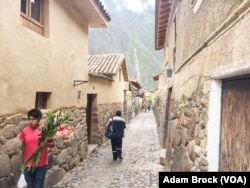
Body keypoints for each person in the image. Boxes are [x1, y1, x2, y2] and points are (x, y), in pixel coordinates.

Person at [19, 109, 55, 188]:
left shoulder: (45, 130)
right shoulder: (25, 131)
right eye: (29, 119)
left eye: (34, 119)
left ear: (39, 119)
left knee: (38, 186)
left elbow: (52, 144)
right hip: (28, 165)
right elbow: (24, 146)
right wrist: (24, 161)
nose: (31, 121)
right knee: (30, 186)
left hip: (41, 165)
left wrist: (46, 143)